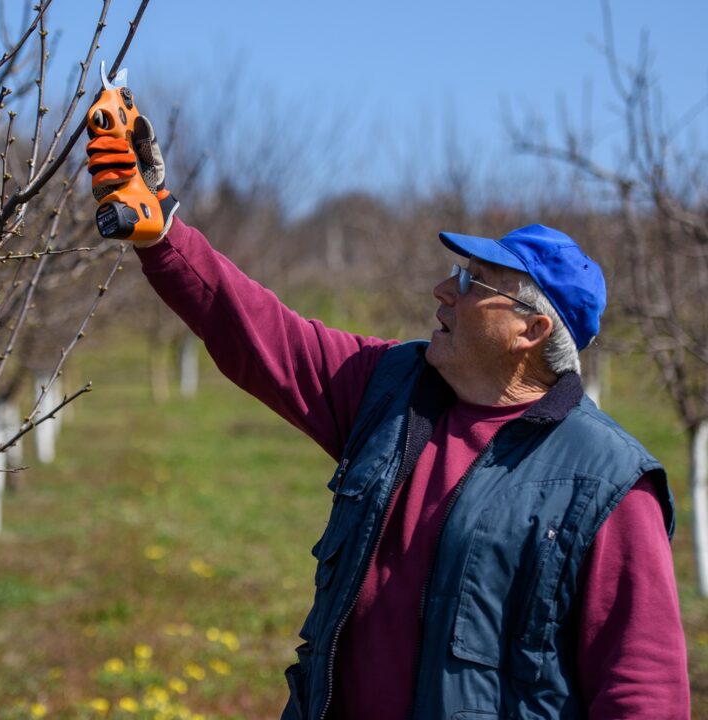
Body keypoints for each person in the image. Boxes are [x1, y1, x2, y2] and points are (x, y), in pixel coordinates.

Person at [86, 116, 690, 719]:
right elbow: (257, 331)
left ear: (532, 331)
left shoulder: (608, 484)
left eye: (471, 281)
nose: (442, 290)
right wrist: (159, 232)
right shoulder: (392, 390)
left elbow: (644, 691)